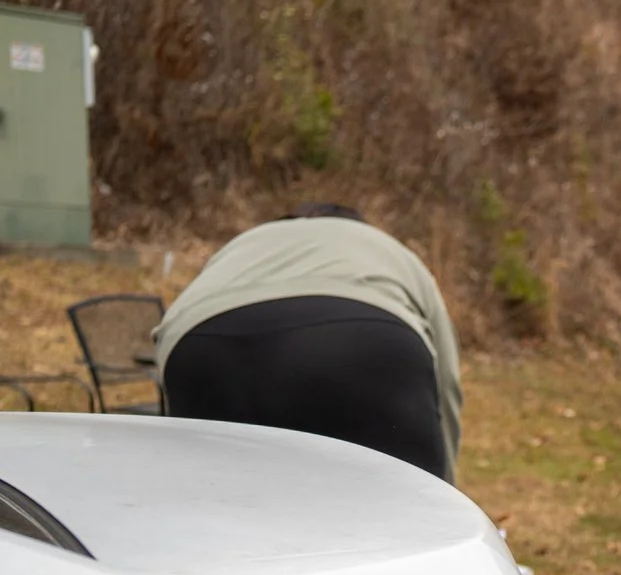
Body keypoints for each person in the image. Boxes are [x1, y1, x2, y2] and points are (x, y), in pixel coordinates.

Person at [155, 204, 463, 480]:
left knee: (220, 511)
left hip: (201, 340)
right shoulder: (388, 249)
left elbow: (177, 326)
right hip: (364, 336)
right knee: (406, 519)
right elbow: (446, 381)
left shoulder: (245, 244)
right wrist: (447, 497)